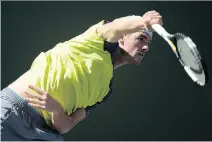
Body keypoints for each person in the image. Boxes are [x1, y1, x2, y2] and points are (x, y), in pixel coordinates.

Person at [1, 10, 163, 141]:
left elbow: (66, 126)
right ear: (121, 38)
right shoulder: (94, 40)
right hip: (13, 113)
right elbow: (115, 27)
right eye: (141, 39)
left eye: (148, 44)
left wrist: (57, 111)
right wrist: (144, 22)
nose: (145, 48)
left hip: (46, 135)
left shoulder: (105, 90)